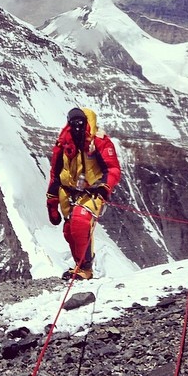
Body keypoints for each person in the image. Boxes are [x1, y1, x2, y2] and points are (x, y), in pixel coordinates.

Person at [46, 107, 121, 280]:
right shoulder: (63, 144)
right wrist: (52, 202)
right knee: (69, 230)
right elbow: (55, 174)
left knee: (80, 221)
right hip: (68, 191)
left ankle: (85, 269)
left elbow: (112, 168)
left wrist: (104, 187)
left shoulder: (99, 141)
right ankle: (79, 266)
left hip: (93, 191)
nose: (77, 127)